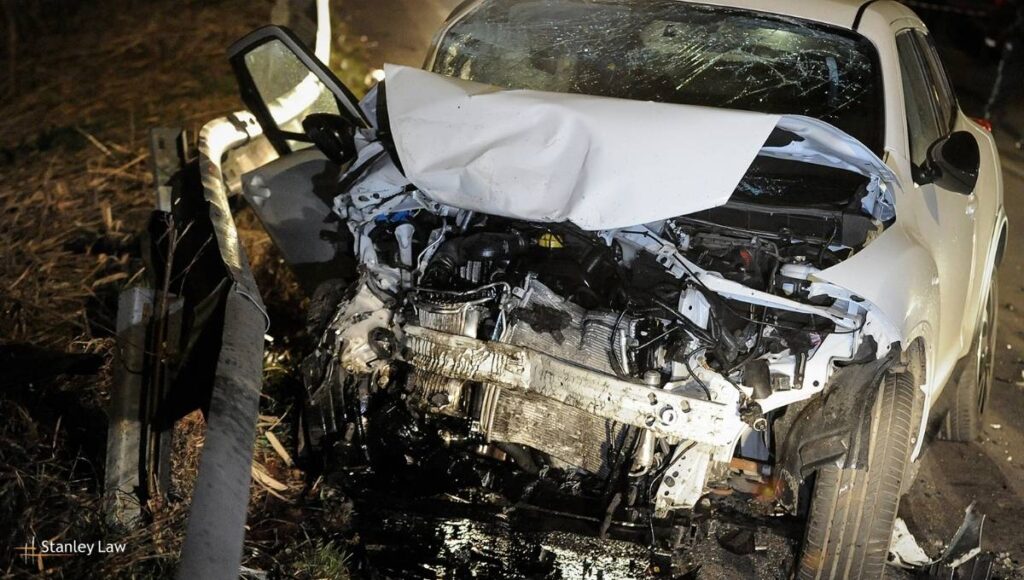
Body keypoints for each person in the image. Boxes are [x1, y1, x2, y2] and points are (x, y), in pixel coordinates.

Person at [984, 0, 1024, 149]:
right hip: (1016, 51)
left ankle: (990, 121)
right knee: (1001, 91)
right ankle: (989, 124)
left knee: (1002, 91)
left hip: (1016, 52)